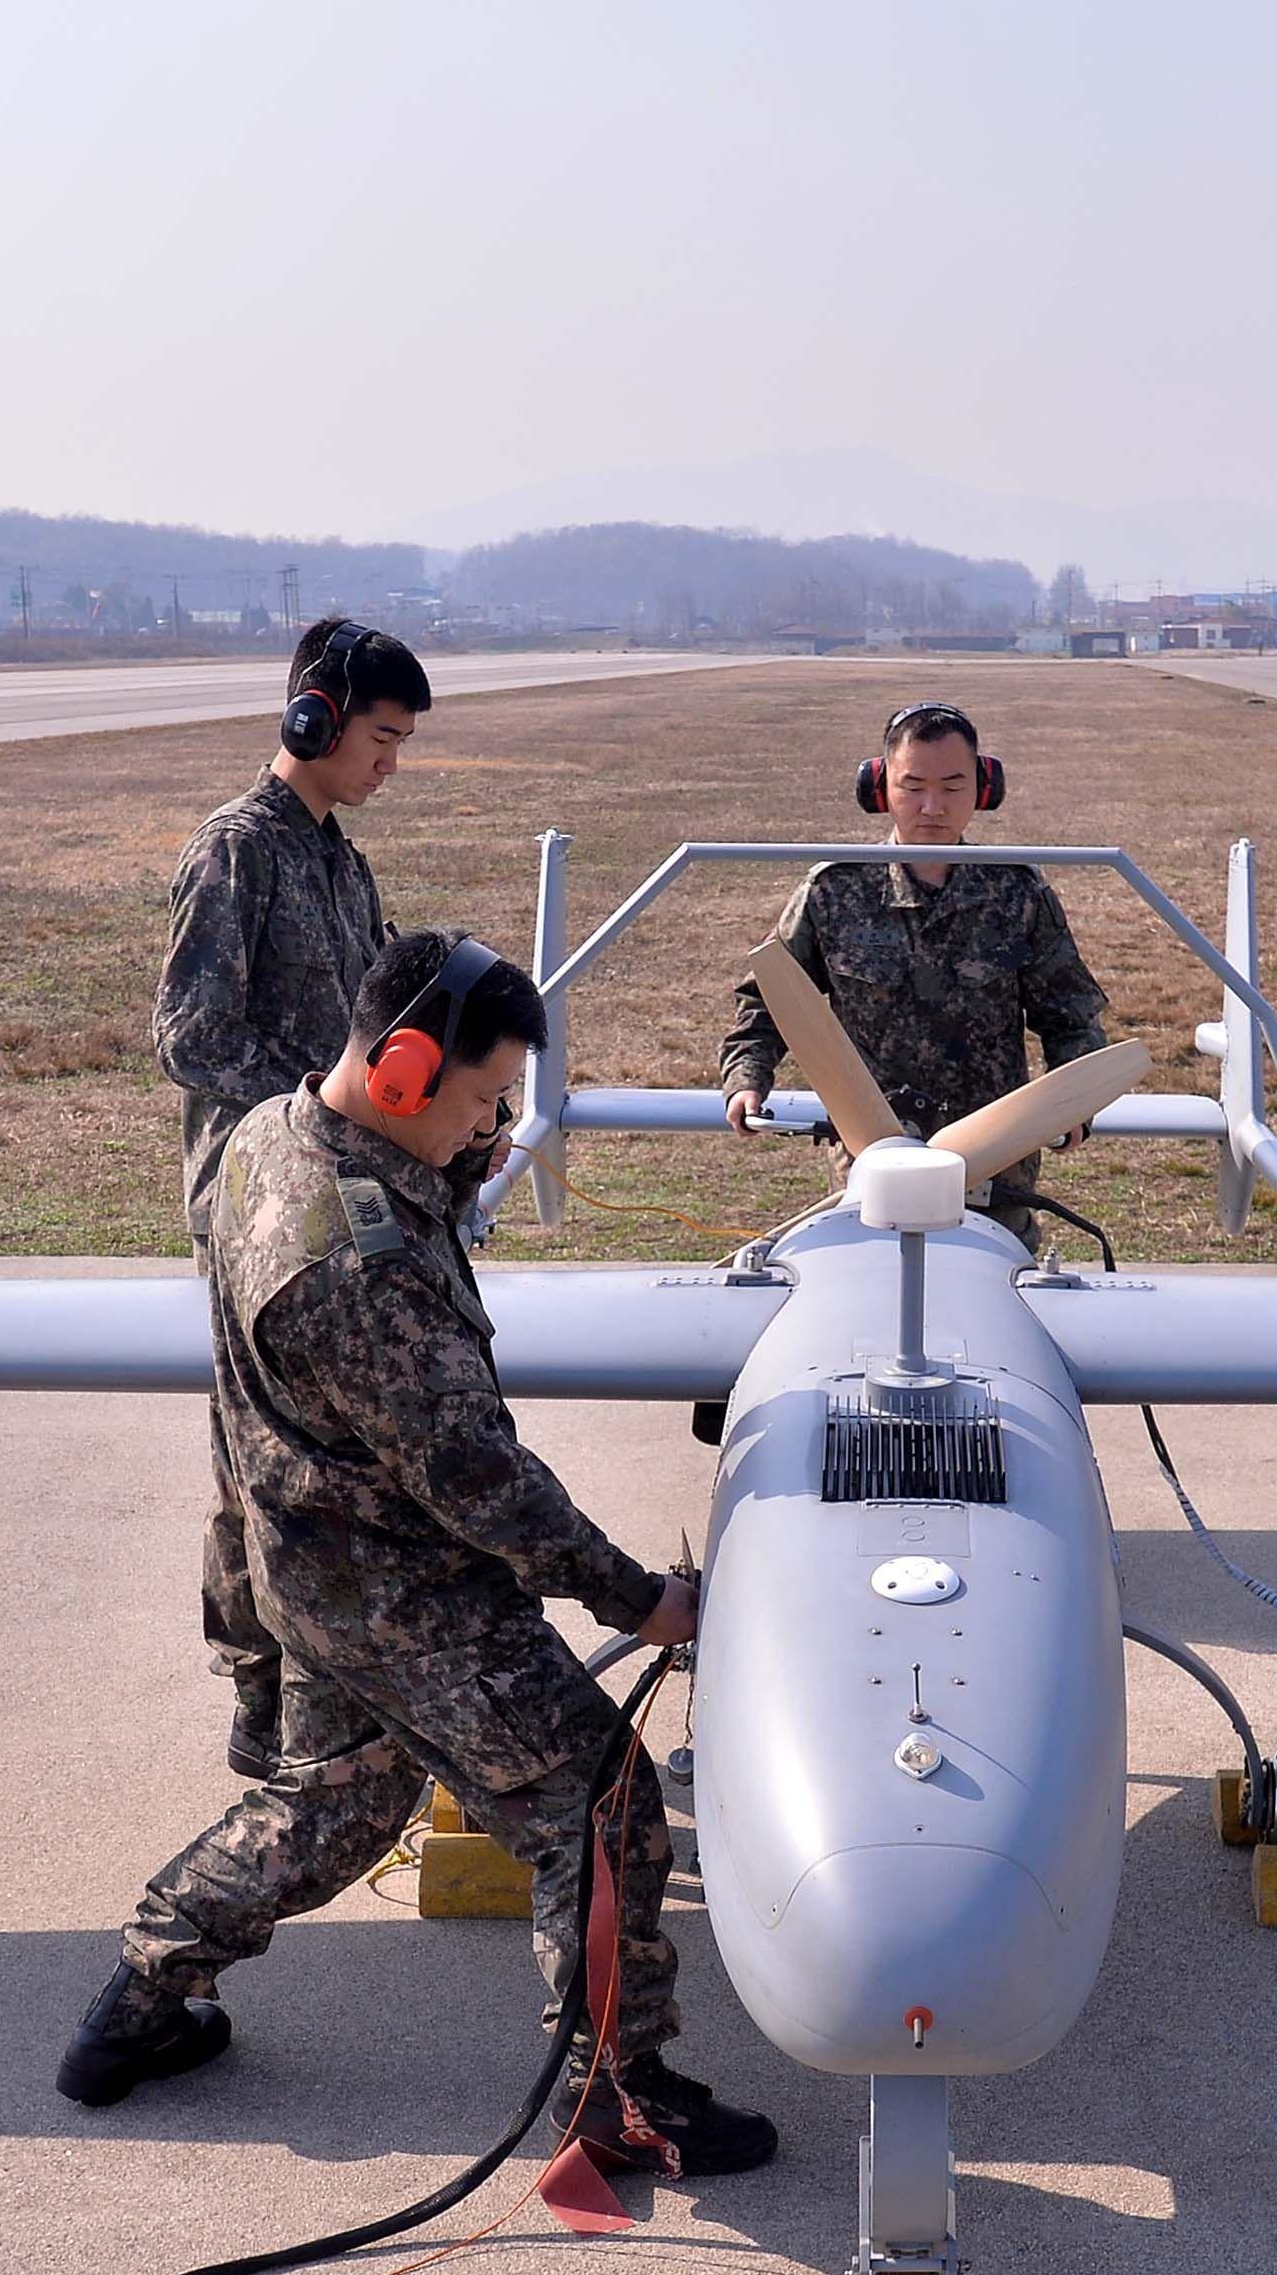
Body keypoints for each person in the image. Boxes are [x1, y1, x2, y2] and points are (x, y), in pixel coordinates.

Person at [62, 931, 778, 2178]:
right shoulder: (353, 1262)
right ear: (400, 1070)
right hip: (409, 1594)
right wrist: (637, 1596)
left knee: (334, 1805)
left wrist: (454, 1164)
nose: (494, 1121)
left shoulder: (271, 1134)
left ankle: (139, 1999)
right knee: (600, 1808)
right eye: (481, 1095)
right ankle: (624, 2097)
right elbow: (477, 1481)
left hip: (309, 1563)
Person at [152, 618, 418, 1783]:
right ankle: (260, 1701)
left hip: (345, 1198)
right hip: (262, 1200)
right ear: (312, 718)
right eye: (379, 737)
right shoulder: (238, 850)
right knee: (255, 1465)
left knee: (354, 1458)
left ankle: (343, 1691)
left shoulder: (338, 857)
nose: (388, 765)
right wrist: (318, 1110)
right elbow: (192, 1034)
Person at [719, 700, 1111, 1221]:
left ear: (984, 789)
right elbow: (768, 1002)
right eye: (914, 787)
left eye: (952, 787)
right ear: (880, 790)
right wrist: (747, 1080)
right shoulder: (833, 891)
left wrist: (1077, 1104)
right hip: (872, 1168)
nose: (933, 807)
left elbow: (1070, 1015)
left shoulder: (1018, 894)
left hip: (996, 1172)